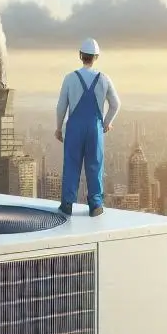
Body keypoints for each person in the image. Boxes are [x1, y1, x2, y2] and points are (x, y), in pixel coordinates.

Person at [55, 38, 121, 218]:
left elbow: (61, 106)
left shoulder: (70, 78)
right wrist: (106, 123)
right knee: (95, 166)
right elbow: (116, 104)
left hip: (74, 129)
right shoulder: (104, 79)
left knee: (71, 165)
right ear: (96, 57)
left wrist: (58, 128)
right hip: (95, 129)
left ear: (80, 55)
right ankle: (96, 206)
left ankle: (67, 204)